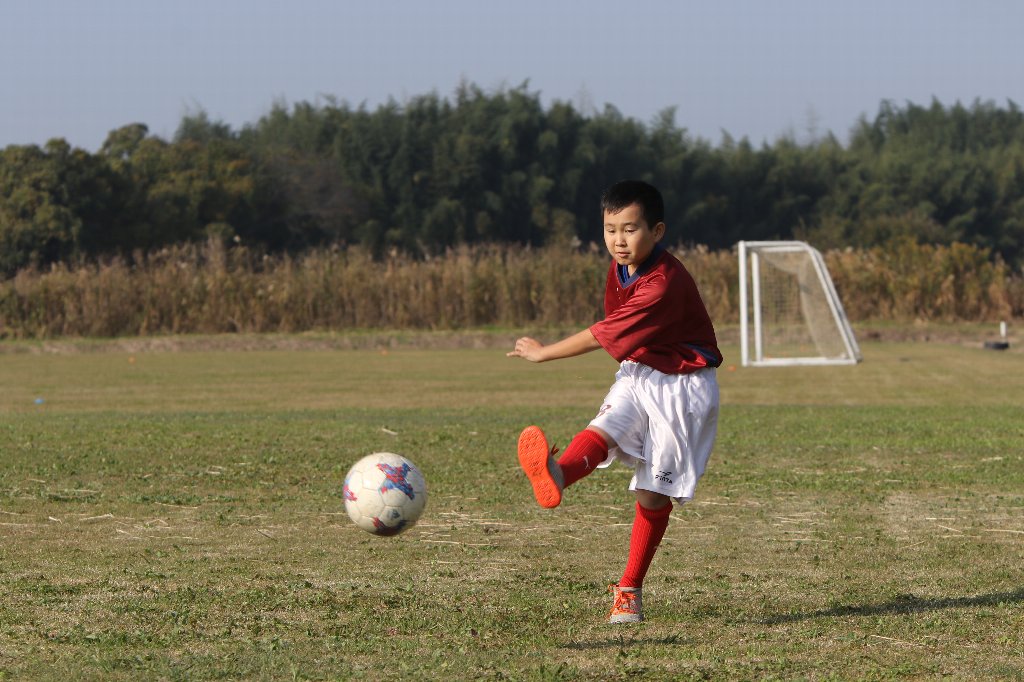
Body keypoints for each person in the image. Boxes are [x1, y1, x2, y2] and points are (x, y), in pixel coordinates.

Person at [507, 179, 722, 624]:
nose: (619, 241)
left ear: (657, 231)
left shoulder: (662, 283)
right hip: (640, 370)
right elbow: (618, 331)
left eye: (630, 229)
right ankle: (557, 473)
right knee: (603, 428)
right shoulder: (621, 268)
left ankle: (629, 590)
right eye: (610, 230)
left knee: (651, 495)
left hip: (683, 386)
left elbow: (602, 334)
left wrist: (544, 352)